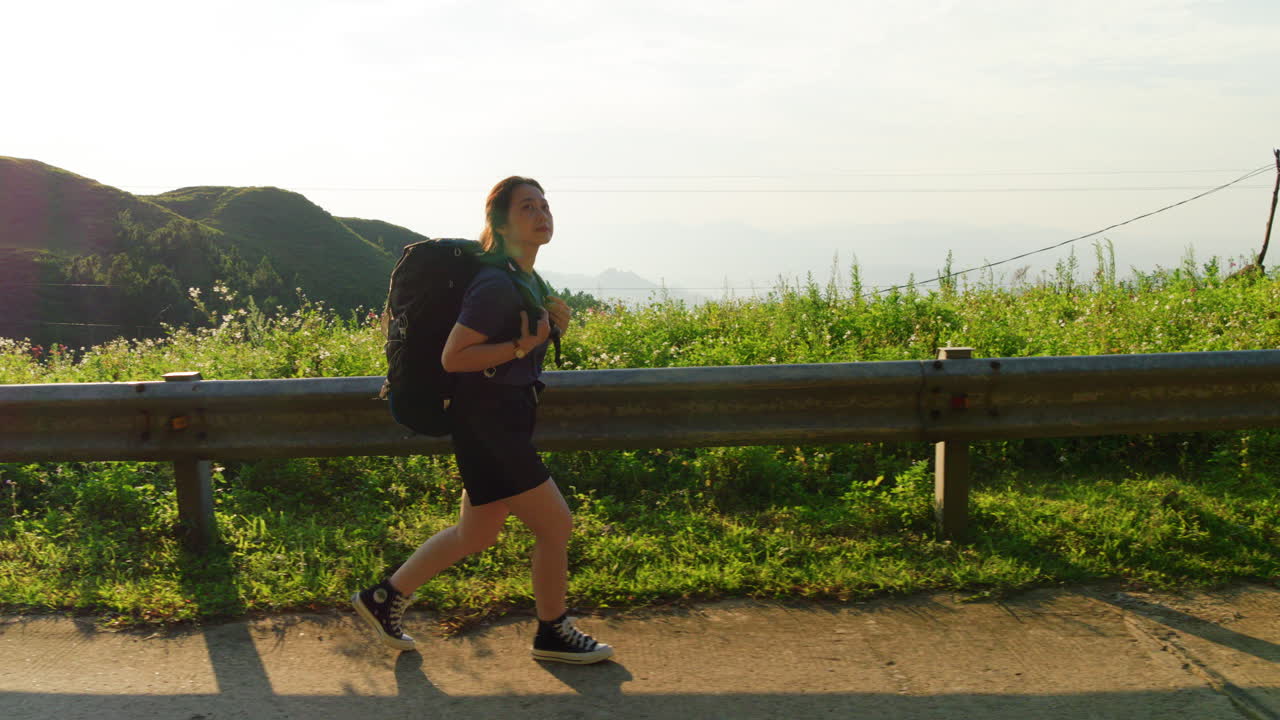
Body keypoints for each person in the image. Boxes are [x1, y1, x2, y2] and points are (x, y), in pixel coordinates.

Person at [352, 176, 613, 664]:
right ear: (500, 221)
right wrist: (524, 344)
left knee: (476, 534)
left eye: (545, 205)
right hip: (489, 424)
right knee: (556, 526)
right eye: (527, 207)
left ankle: (382, 598)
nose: (541, 214)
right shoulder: (496, 282)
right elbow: (455, 357)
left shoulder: (523, 277)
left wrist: (550, 327)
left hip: (503, 419)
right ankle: (552, 632)